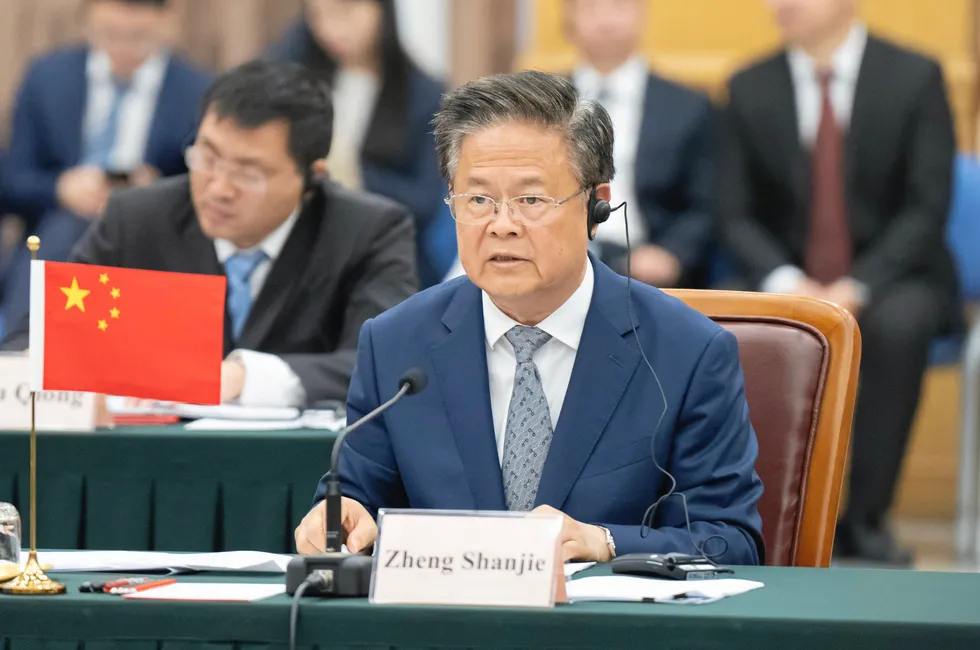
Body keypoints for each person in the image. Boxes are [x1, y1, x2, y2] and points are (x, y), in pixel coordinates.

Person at [295, 70, 764, 564]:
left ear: (596, 206)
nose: (501, 225)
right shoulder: (395, 343)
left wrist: (602, 543)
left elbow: (731, 541)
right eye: (478, 200)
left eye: (531, 200)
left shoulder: (686, 350)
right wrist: (342, 515)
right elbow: (353, 498)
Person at [1, 59, 419, 408]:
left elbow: (387, 366)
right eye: (207, 157)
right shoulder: (138, 217)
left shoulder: (368, 231)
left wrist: (242, 376)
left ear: (313, 177)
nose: (218, 188)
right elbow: (38, 337)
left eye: (248, 173)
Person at [721, 0, 959, 565]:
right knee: (749, 333)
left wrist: (858, 284)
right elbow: (733, 212)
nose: (782, 5)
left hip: (893, 274)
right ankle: (774, 522)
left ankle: (866, 523)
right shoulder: (748, 86)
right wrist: (789, 280)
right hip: (784, 275)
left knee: (900, 326)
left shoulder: (914, 76)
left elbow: (926, 207)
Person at [0, 0, 211, 337]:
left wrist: (156, 191)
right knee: (63, 233)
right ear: (87, 22)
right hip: (59, 226)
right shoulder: (48, 77)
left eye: (138, 36)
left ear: (169, 24)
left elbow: (207, 184)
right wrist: (60, 187)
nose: (122, 49)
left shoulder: (198, 90)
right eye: (109, 34)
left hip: (152, 229)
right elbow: (13, 180)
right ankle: (19, 353)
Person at [266, 0, 449, 288]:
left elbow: (424, 201)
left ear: (382, 10)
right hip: (297, 250)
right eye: (319, 15)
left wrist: (354, 173)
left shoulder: (422, 93)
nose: (332, 29)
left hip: (382, 254)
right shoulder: (288, 73)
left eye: (346, 12)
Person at [565, 0, 718, 289]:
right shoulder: (540, 104)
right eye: (591, 8)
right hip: (558, 255)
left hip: (649, 260)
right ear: (570, 17)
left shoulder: (688, 105)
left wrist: (673, 253)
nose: (605, 19)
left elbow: (708, 202)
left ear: (642, 14)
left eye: (618, 6)